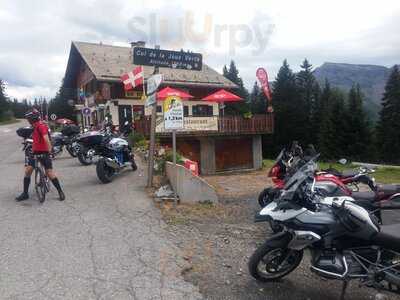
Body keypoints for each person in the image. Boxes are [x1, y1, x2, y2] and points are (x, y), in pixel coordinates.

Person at [16, 109, 65, 201]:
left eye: (28, 118)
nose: (27, 120)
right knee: (28, 171)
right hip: (35, 152)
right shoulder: (34, 126)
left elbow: (46, 139)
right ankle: (25, 193)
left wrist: (50, 151)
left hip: (44, 152)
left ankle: (60, 191)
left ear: (32, 118)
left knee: (49, 173)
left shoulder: (41, 126)